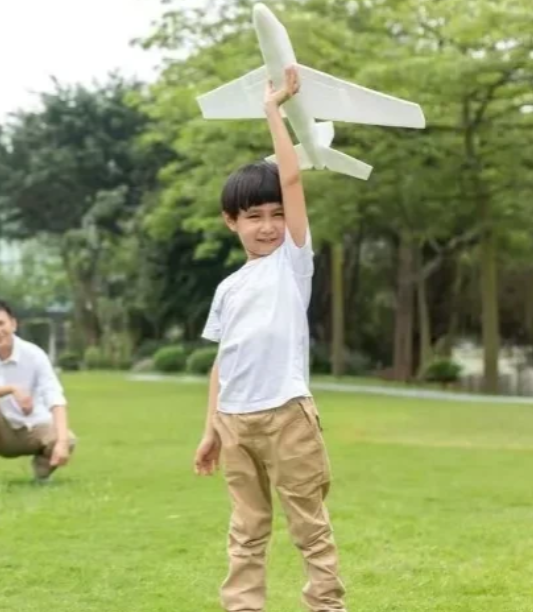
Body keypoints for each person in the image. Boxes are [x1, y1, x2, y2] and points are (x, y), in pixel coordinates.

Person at [193, 66, 347, 612]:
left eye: (276, 215)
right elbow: (222, 363)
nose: (268, 225)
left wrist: (272, 111)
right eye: (254, 216)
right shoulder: (229, 287)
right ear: (230, 221)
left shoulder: (292, 263)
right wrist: (211, 428)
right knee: (247, 530)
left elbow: (293, 179)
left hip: (287, 416)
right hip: (235, 423)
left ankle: (325, 605)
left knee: (310, 527)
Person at [0, 299, 75, 492]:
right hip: (1, 432)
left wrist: (62, 442)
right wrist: (12, 389)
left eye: (1, 323)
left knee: (68, 439)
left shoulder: (34, 355)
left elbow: (55, 396)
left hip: (34, 428)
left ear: (13, 324)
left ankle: (42, 470)